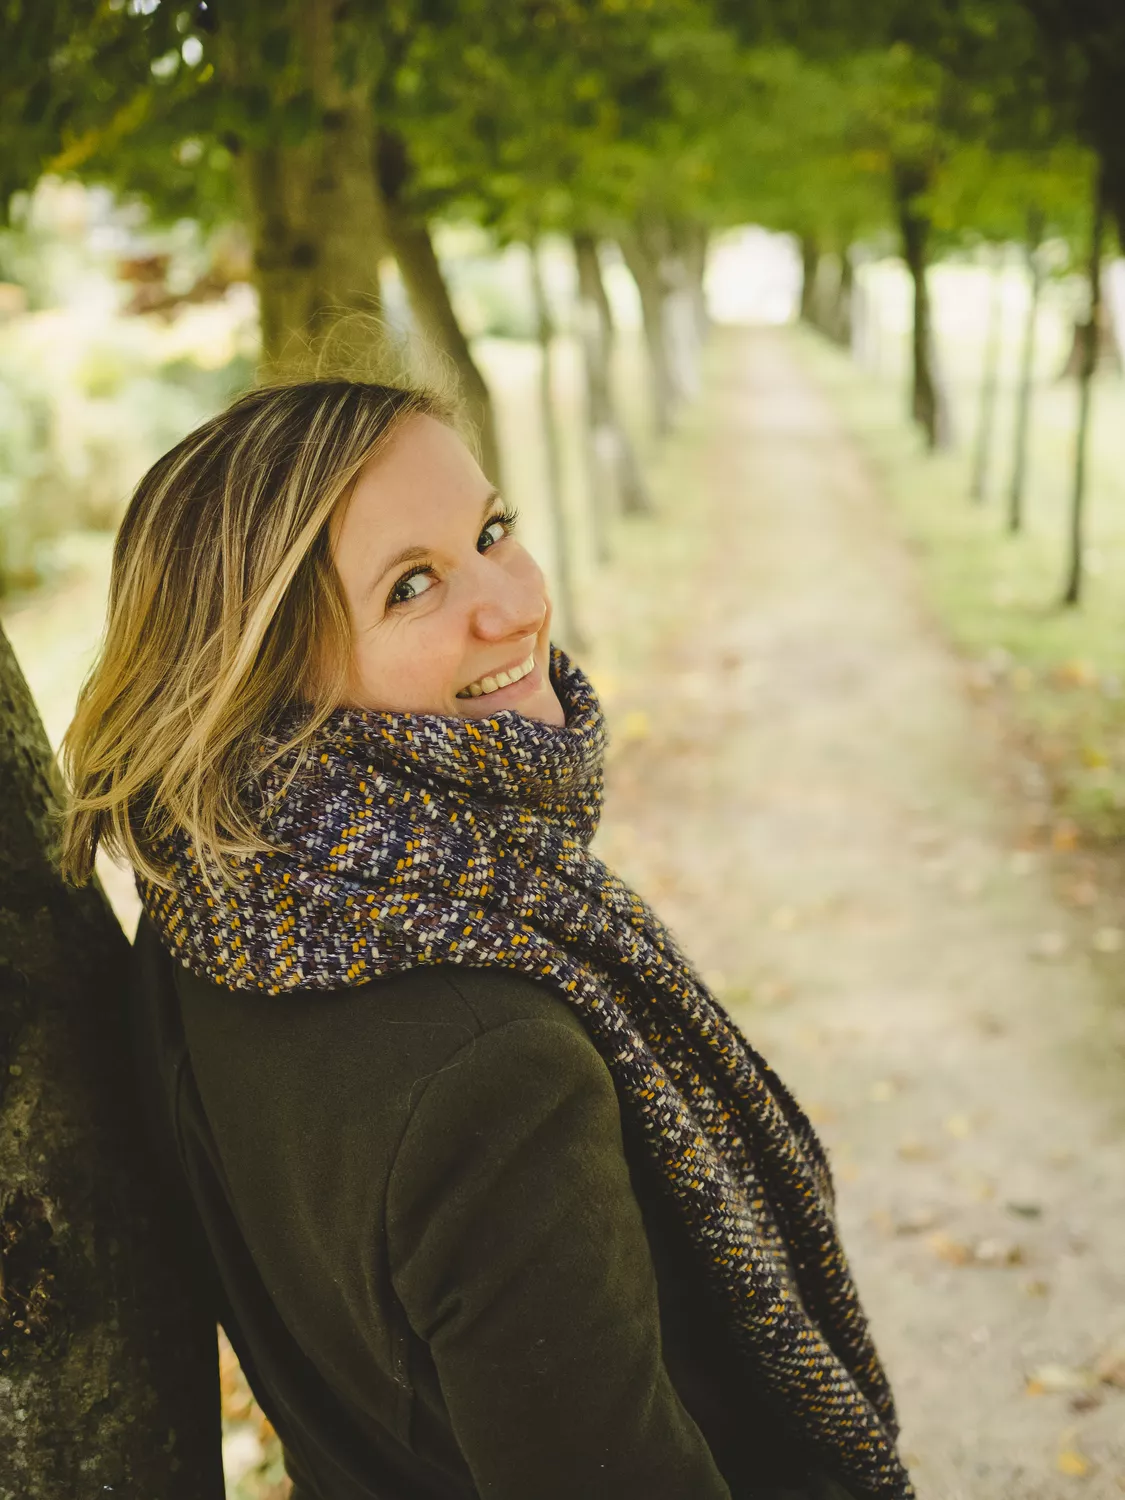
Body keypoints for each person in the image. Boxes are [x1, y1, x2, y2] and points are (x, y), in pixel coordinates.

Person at [58, 378, 914, 1500]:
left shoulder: (208, 913)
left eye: (491, 531)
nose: (513, 605)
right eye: (410, 586)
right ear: (265, 675)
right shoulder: (495, 1073)